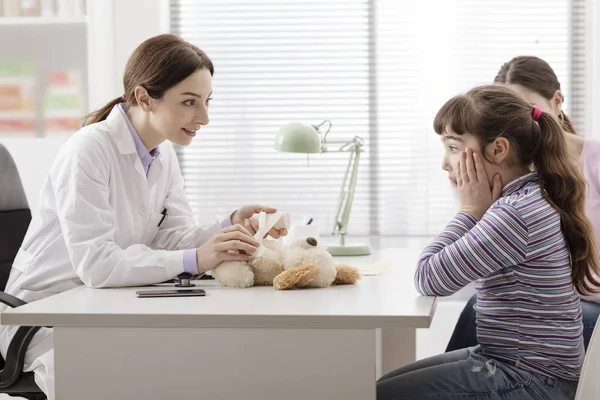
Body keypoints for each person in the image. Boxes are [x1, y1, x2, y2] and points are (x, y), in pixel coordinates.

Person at [0, 34, 286, 400]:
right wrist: (199, 257)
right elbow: (97, 264)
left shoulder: (162, 156)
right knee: (136, 369)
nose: (205, 118)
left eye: (206, 102)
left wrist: (229, 225)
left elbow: (170, 239)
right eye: (189, 102)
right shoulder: (88, 149)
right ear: (143, 97)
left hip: (102, 305)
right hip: (44, 316)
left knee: (191, 358)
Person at [377, 84, 600, 399]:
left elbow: (428, 278)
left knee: (375, 393)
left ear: (498, 149)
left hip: (532, 380)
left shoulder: (515, 214)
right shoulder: (529, 196)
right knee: (373, 387)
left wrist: (469, 211)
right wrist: (477, 212)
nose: (444, 163)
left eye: (453, 147)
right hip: (516, 365)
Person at [446, 56, 600, 353]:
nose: (517, 123)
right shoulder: (515, 171)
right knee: (478, 306)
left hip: (584, 305)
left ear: (556, 102)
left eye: (527, 110)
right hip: (537, 302)